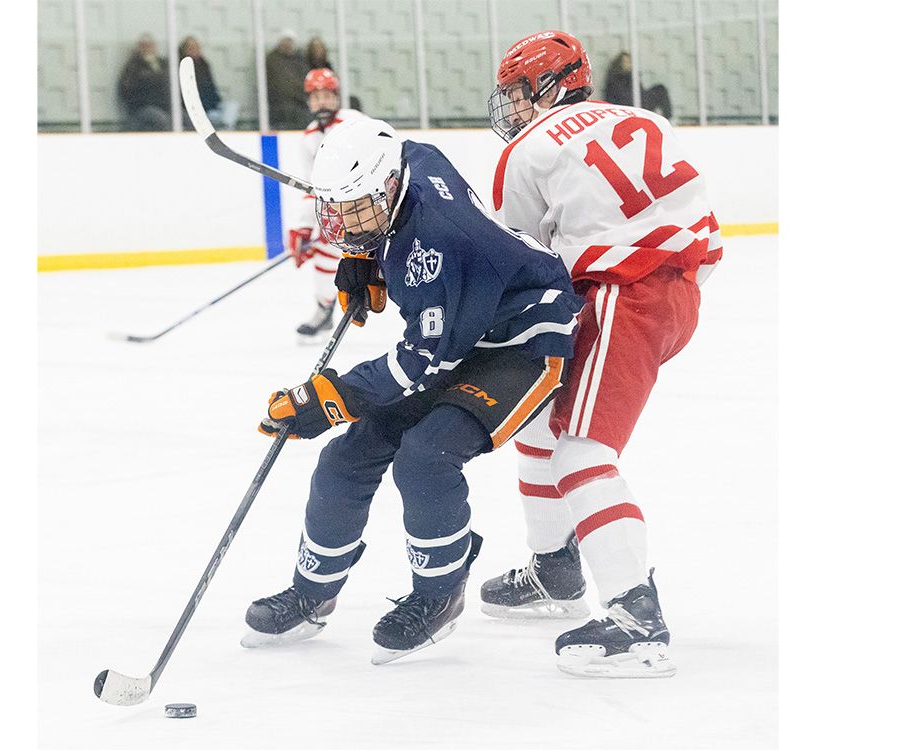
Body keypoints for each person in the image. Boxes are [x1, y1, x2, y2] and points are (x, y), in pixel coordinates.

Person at [240, 118, 582, 664]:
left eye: (356, 209)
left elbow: (416, 364)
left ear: (388, 187)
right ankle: (312, 592)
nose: (344, 221)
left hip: (523, 341)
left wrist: (330, 398)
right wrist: (364, 255)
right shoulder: (409, 162)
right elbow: (411, 147)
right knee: (348, 454)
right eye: (338, 208)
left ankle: (438, 593)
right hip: (465, 326)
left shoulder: (440, 246)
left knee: (426, 457)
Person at [484, 30, 722, 677]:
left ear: (548, 86)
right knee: (539, 417)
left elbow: (518, 264)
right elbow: (700, 225)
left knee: (582, 454)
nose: (512, 106)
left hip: (623, 296)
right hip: (679, 291)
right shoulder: (646, 118)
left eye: (517, 92)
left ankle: (634, 618)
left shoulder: (527, 150)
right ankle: (555, 570)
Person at [288, 69, 365, 341]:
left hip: (370, 204)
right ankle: (324, 309)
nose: (321, 102)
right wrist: (304, 228)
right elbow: (312, 189)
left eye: (327, 95)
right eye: (316, 97)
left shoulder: (354, 121)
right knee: (323, 249)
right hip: (342, 210)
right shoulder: (309, 138)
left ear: (336, 97)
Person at [178, 36, 239, 130]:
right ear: (184, 50)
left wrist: (216, 102)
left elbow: (211, 87)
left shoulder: (204, 64)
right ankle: (223, 127)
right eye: (191, 48)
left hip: (211, 106)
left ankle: (226, 128)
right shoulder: (182, 67)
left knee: (232, 105)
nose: (195, 50)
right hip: (197, 111)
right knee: (214, 116)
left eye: (197, 47)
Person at [118, 34, 171, 131]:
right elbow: (127, 89)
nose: (148, 49)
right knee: (161, 119)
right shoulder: (133, 66)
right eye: (144, 46)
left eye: (150, 46)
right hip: (143, 107)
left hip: (165, 106)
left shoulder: (163, 63)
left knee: (186, 118)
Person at [603, 51, 673, 120]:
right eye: (625, 62)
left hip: (640, 101)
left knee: (660, 89)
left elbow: (641, 92)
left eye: (630, 62)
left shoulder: (632, 75)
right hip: (626, 106)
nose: (628, 64)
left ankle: (668, 119)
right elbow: (621, 96)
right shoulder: (614, 78)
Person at [265, 31, 309, 130]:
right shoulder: (273, 59)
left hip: (300, 105)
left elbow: (305, 79)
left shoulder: (300, 59)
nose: (288, 44)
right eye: (285, 41)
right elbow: (282, 84)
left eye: (290, 41)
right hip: (279, 106)